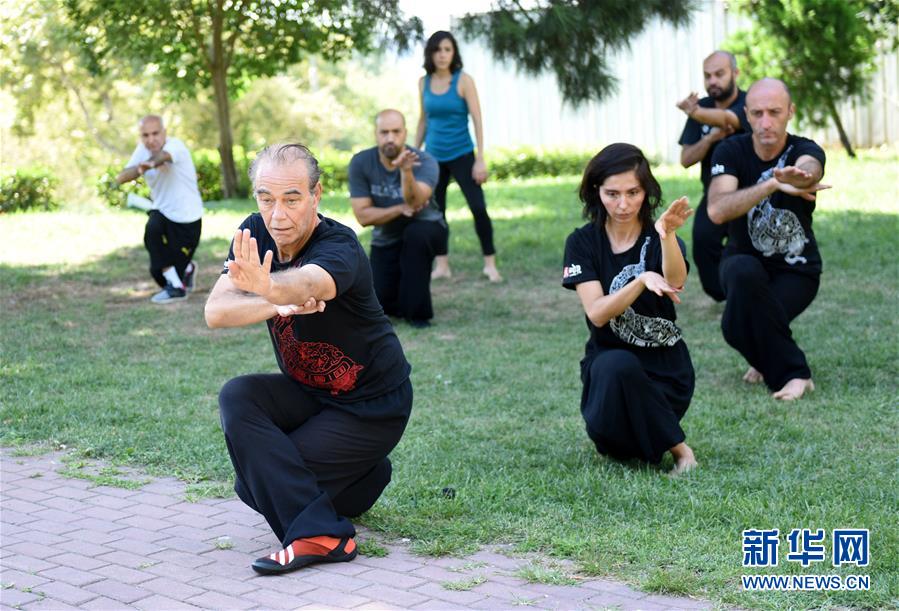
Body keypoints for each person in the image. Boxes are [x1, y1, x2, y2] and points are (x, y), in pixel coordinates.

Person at [205, 143, 412, 575]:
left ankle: (323, 535)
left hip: (371, 406)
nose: (277, 215)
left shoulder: (340, 245)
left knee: (257, 483)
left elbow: (310, 282)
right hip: (309, 394)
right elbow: (217, 312)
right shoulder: (253, 234)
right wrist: (276, 304)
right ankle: (362, 480)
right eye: (266, 198)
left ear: (316, 195)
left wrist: (275, 290)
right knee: (239, 398)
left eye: (292, 199)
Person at [562, 143, 698, 475]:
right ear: (596, 192)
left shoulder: (660, 239)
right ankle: (649, 435)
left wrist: (666, 235)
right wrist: (639, 281)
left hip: (666, 373)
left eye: (633, 192)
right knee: (617, 372)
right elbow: (596, 312)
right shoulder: (582, 242)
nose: (623, 204)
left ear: (646, 191)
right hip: (608, 376)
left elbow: (675, 280)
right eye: (612, 194)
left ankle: (682, 452)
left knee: (624, 368)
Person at [708, 78, 828, 401]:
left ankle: (790, 372)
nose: (766, 122)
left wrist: (801, 176)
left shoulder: (805, 149)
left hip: (796, 271)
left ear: (790, 112)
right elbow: (717, 210)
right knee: (742, 274)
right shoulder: (730, 151)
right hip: (742, 265)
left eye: (774, 112)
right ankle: (791, 370)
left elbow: (810, 167)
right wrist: (771, 185)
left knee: (737, 328)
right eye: (758, 113)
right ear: (746, 115)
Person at [348, 109, 448, 328]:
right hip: (386, 235)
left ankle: (418, 314)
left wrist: (406, 172)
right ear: (376, 134)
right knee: (383, 304)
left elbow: (415, 201)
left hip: (427, 228)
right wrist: (400, 208)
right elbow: (363, 216)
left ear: (405, 133)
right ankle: (402, 300)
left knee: (416, 235)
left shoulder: (425, 161)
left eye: (396, 132)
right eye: (384, 132)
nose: (390, 138)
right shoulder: (361, 162)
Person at [415, 30, 501, 283]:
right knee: (437, 212)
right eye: (437, 50)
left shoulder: (464, 81)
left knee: (478, 207)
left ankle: (490, 263)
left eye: (447, 49)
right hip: (433, 157)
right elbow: (423, 120)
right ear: (431, 53)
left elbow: (477, 119)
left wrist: (480, 157)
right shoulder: (423, 82)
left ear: (454, 53)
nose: (442, 55)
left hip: (463, 153)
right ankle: (442, 265)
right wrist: (413, 151)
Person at [676, 50, 751, 302]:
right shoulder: (703, 107)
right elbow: (686, 159)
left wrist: (693, 112)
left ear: (735, 73)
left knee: (749, 245)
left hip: (750, 191)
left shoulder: (750, 104)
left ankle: (749, 290)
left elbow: (729, 119)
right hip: (715, 194)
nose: (712, 81)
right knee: (703, 241)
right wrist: (710, 138)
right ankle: (723, 294)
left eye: (719, 74)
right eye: (707, 76)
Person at [116, 115, 202, 304]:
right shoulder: (142, 151)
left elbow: (164, 156)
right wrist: (140, 168)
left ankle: (186, 270)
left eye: (155, 133)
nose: (151, 139)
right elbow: (121, 177)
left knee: (164, 272)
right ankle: (176, 289)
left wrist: (153, 163)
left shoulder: (175, 145)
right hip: (162, 213)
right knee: (152, 233)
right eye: (145, 135)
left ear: (164, 133)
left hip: (188, 219)